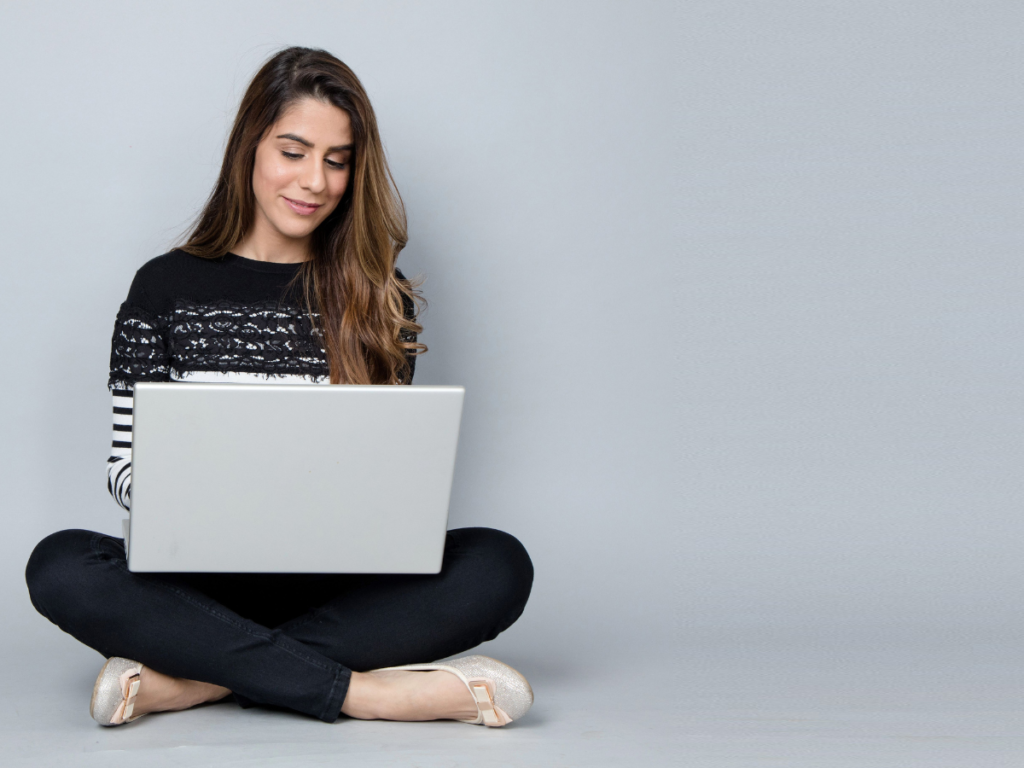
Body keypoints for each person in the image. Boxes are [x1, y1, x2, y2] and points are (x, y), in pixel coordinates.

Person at [24, 47, 534, 728]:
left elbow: (388, 480)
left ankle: (195, 678)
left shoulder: (382, 298)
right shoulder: (162, 288)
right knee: (59, 565)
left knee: (500, 564)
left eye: (337, 159)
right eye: (293, 151)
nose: (315, 181)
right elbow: (123, 468)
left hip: (339, 586)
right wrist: (199, 492)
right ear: (250, 148)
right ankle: (364, 693)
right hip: (192, 582)